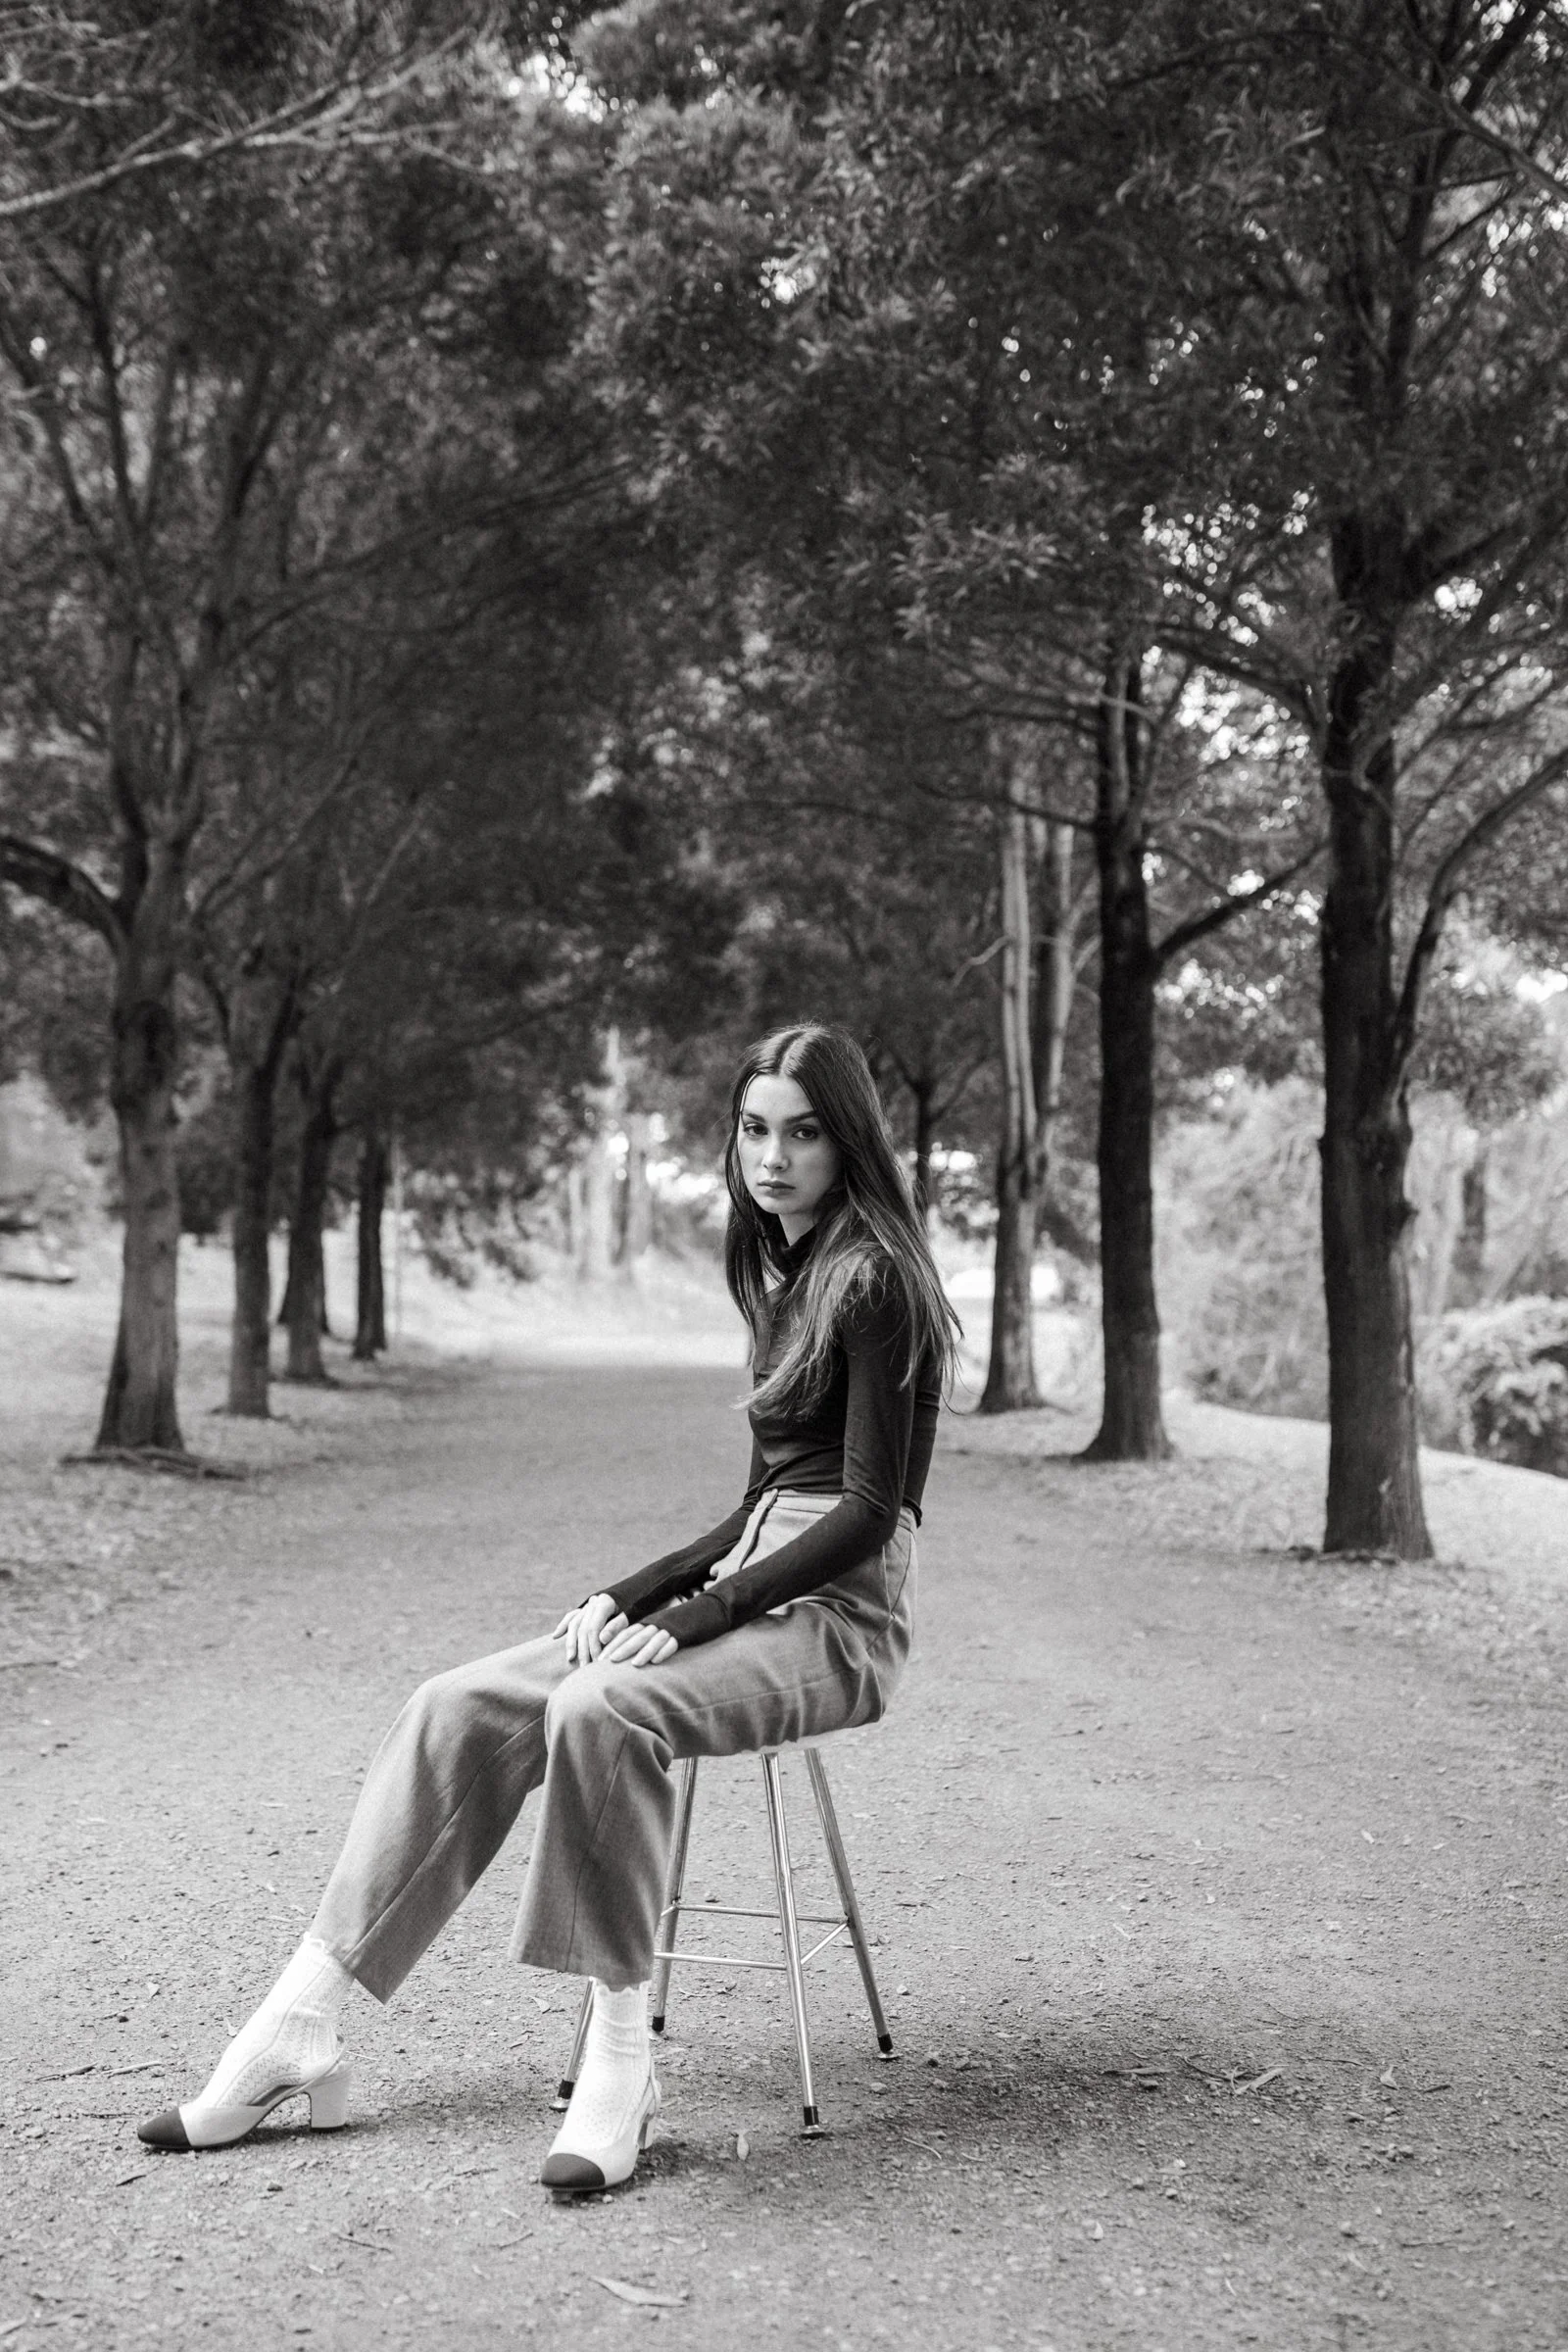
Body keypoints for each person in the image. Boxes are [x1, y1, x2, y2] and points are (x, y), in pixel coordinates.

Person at [137, 1022, 957, 2190]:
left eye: (806, 1133)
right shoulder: (788, 1268)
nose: (773, 1158)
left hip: (841, 1619)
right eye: (755, 1130)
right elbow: (762, 1502)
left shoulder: (872, 1276)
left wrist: (693, 1619)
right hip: (761, 1578)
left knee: (605, 1708)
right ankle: (297, 2028)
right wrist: (626, 1592)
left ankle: (623, 2067)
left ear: (849, 1142)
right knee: (456, 1701)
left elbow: (866, 1512)